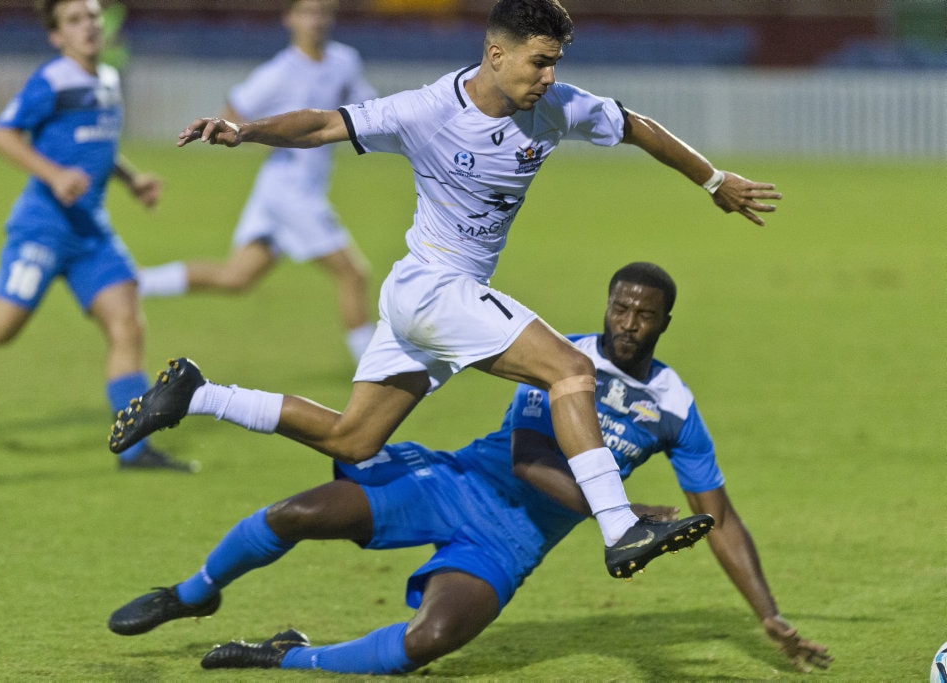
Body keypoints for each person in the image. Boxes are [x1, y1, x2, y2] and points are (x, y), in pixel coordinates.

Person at [112, 0, 783, 567]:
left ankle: (199, 393)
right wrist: (244, 130)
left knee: (353, 440)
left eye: (556, 63)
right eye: (538, 62)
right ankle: (619, 527)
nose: (550, 77)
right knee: (572, 369)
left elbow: (636, 125)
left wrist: (714, 181)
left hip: (423, 300)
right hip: (435, 289)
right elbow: (324, 122)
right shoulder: (427, 110)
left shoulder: (558, 106)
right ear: (496, 53)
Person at [106, 262, 832, 675]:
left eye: (643, 315)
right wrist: (624, 514)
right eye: (619, 306)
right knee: (299, 513)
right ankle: (191, 592)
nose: (627, 322)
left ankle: (285, 656)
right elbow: (527, 458)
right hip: (455, 484)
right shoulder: (562, 358)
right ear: (606, 304)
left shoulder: (674, 404)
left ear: (665, 324)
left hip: (508, 546)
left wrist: (768, 615)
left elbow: (722, 518)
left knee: (425, 645)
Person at [0, 0, 193, 471]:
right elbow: (3, 135)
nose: (88, 26)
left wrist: (132, 181)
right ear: (56, 36)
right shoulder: (52, 80)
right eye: (74, 20)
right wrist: (53, 175)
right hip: (44, 228)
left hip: (91, 230)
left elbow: (95, 148)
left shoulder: (107, 79)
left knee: (127, 322)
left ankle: (133, 450)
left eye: (91, 16)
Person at [137, 0, 377, 363]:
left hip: (288, 189)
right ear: (290, 19)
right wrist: (270, 137)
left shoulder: (345, 61)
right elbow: (232, 114)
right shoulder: (279, 72)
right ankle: (376, 368)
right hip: (289, 192)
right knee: (353, 274)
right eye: (307, 13)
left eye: (322, 12)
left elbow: (364, 105)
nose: (315, 21)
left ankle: (135, 283)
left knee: (237, 277)